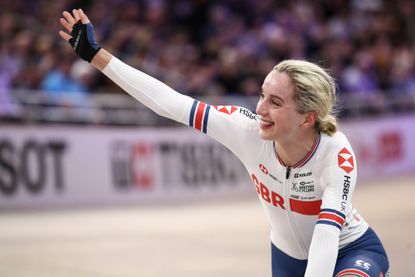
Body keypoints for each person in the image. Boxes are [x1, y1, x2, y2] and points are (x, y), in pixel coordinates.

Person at [59, 9, 390, 277]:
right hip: (287, 258)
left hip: (350, 249)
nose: (260, 108)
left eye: (276, 102)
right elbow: (169, 103)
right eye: (262, 95)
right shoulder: (244, 130)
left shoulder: (335, 153)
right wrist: (96, 55)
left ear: (308, 118)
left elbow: (326, 237)